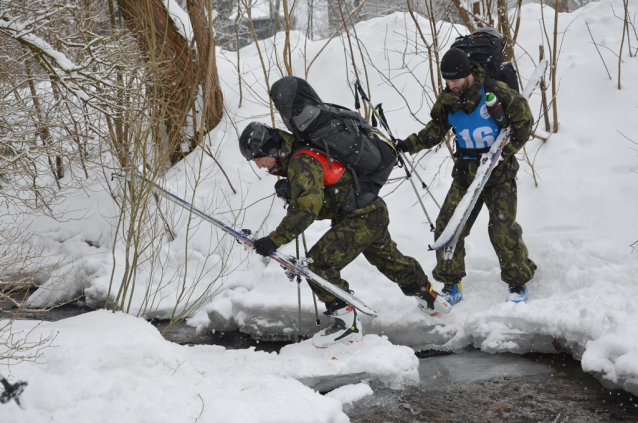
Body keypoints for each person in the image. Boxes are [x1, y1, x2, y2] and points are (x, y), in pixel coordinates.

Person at [238, 102, 451, 348]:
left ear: (272, 149)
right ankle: (429, 298)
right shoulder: (301, 155)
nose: (259, 166)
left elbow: (307, 209)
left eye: (258, 159)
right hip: (369, 210)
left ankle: (346, 323)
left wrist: (275, 239)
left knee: (318, 265)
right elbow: (324, 195)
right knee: (389, 260)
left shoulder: (300, 162)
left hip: (360, 216)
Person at [396, 48, 537, 304]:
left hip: (499, 172)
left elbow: (524, 122)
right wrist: (407, 145)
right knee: (448, 226)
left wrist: (507, 152)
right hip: (466, 172)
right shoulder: (448, 98)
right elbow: (434, 130)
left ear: (468, 74)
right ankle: (451, 283)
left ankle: (518, 282)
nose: (451, 85)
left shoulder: (495, 91)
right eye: (447, 81)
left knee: (502, 228)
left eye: (455, 80)